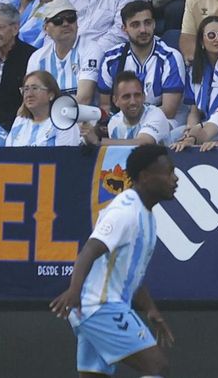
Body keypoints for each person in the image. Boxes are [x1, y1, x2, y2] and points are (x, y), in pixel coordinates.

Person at [50, 144, 177, 378]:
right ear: (145, 177)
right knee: (157, 366)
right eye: (169, 172)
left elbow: (130, 272)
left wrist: (150, 309)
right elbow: (90, 249)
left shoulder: (146, 215)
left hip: (91, 309)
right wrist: (73, 291)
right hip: (99, 307)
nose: (175, 179)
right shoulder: (125, 212)